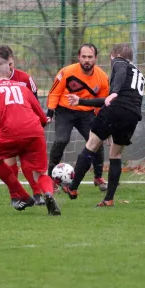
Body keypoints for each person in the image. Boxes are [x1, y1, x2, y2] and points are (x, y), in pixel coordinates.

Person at [0, 58, 61, 216]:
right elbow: (41, 116)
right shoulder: (23, 88)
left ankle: (24, 196)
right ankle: (48, 193)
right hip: (34, 131)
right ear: (9, 73)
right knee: (41, 173)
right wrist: (39, 125)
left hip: (10, 132)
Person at [65, 43, 144, 206]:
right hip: (132, 115)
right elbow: (109, 99)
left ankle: (72, 187)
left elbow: (114, 93)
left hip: (115, 110)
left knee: (91, 145)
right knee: (115, 155)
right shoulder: (138, 73)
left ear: (112, 56)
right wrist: (81, 101)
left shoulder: (119, 62)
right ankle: (109, 199)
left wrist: (114, 91)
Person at [0, 45, 45, 205]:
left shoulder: (25, 79)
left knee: (28, 163)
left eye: (11, 64)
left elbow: (35, 103)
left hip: (26, 126)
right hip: (5, 129)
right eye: (6, 65)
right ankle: (16, 197)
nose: (9, 68)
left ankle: (37, 195)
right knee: (10, 163)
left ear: (13, 61)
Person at [46, 43, 110, 192]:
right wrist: (50, 112)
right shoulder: (67, 72)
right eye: (84, 57)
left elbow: (103, 101)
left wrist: (104, 121)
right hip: (65, 111)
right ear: (78, 57)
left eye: (90, 57)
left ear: (95, 58)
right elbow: (54, 93)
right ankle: (50, 179)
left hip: (87, 114)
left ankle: (98, 177)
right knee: (61, 140)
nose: (87, 60)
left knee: (96, 141)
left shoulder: (102, 77)